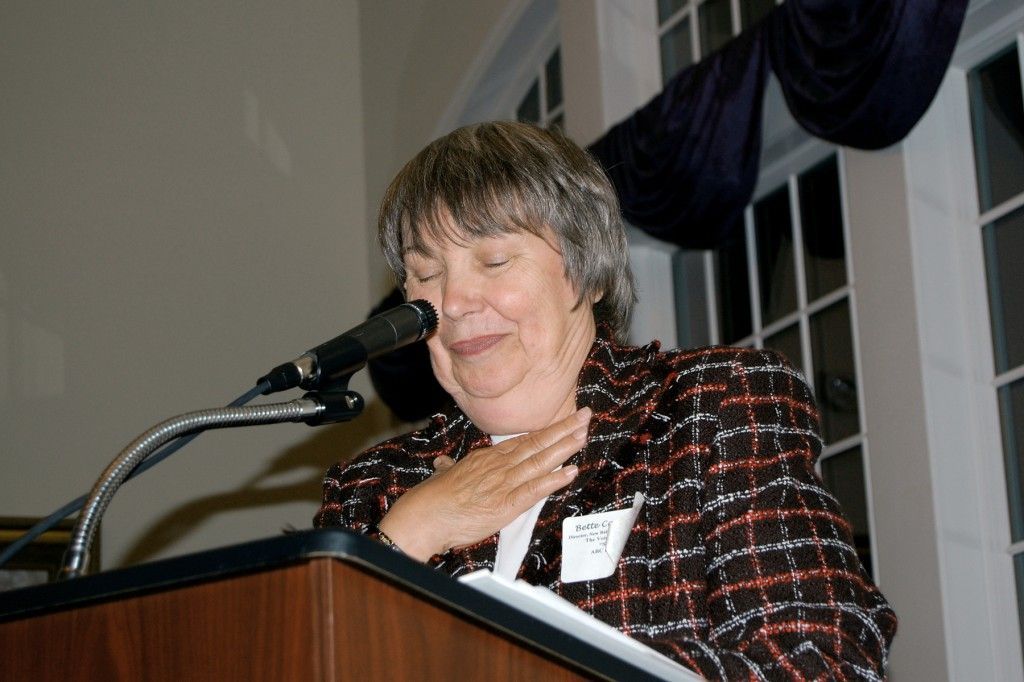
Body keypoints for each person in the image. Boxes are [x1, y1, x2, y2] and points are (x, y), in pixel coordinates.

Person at [315, 121, 896, 679]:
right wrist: (411, 531)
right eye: (425, 273)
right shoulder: (374, 487)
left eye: (493, 260)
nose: (457, 300)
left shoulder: (707, 409)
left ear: (586, 273)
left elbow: (820, 660)